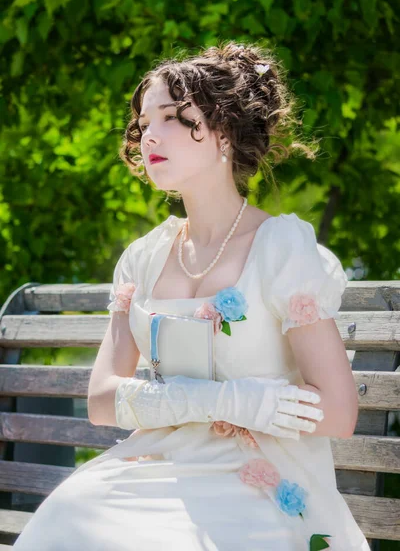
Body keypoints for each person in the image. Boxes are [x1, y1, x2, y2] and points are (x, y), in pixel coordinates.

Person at [13, 41, 370, 550]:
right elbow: (100, 400)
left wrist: (259, 408)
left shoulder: (281, 247)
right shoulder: (142, 257)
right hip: (158, 464)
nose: (148, 135)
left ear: (222, 130)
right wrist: (229, 399)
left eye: (172, 118)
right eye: (143, 123)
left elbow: (338, 411)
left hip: (255, 477)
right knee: (67, 519)